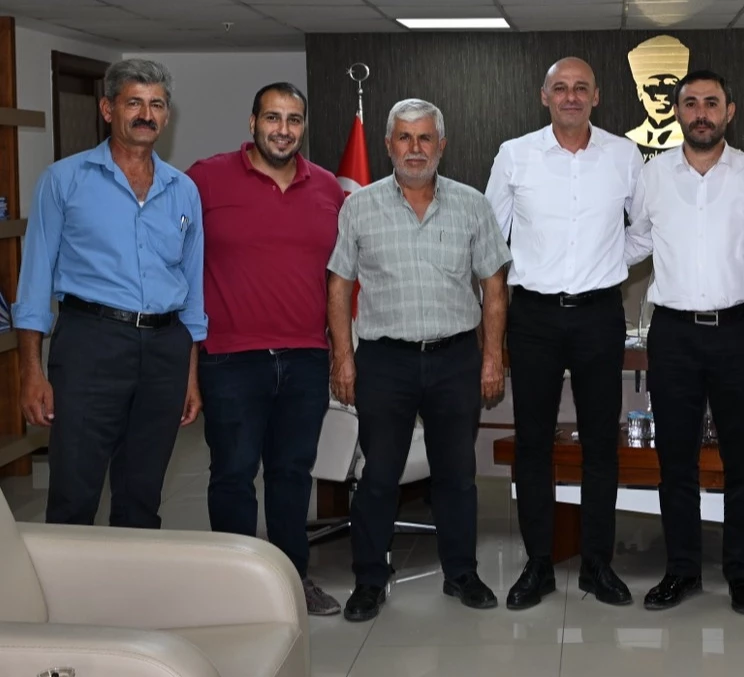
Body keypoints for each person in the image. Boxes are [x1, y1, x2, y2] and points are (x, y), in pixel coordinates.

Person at [327, 99, 511, 622]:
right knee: (379, 476)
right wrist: (343, 358)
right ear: (388, 145)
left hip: (455, 359)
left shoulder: (472, 205)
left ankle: (461, 573)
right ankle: (369, 580)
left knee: (457, 476)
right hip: (385, 362)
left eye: (425, 138)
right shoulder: (359, 206)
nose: (415, 148)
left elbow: (494, 287)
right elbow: (339, 286)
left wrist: (492, 358)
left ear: (441, 145)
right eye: (404, 138)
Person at [13, 58, 204, 528]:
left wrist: (190, 374)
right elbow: (33, 282)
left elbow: (193, 290)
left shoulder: (183, 190)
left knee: (143, 493)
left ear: (167, 115)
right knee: (74, 490)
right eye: (134, 103)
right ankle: (66, 577)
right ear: (107, 109)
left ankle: (132, 575)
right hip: (90, 343)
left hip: (165, 349)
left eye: (156, 104)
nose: (146, 114)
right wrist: (31, 372)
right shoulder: (64, 181)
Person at [485, 57, 644, 610]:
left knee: (602, 442)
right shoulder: (514, 155)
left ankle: (598, 564)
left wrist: (610, 262)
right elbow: (492, 241)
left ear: (596, 96)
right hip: (533, 317)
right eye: (560, 88)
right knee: (533, 442)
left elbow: (646, 229)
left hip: (600, 313)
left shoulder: (624, 155)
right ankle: (538, 564)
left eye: (581, 88)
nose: (570, 96)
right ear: (544, 96)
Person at [186, 82, 345, 617]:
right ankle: (236, 589)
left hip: (305, 357)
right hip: (230, 358)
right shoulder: (205, 179)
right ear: (252, 123)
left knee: (292, 476)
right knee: (233, 475)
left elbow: (342, 277)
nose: (283, 129)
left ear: (304, 127)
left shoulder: (328, 188)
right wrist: (188, 364)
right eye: (273, 118)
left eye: (294, 119)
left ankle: (292, 582)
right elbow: (177, 263)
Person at [624, 70, 744, 614]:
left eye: (712, 102)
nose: (701, 112)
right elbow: (636, 242)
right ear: (678, 112)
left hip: (740, 331)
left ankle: (741, 574)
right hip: (674, 335)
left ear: (729, 111)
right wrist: (575, 261)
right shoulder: (653, 175)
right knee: (676, 461)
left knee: (741, 462)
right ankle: (682, 570)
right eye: (690, 103)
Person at [624, 35, 690, 158]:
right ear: (640, 92)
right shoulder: (628, 141)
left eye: (669, 86)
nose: (661, 95)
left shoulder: (693, 139)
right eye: (652, 86)